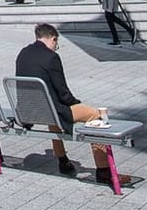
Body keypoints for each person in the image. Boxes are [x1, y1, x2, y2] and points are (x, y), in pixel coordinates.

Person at [15, 23, 113, 178]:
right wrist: (77, 103)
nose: (56, 47)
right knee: (95, 115)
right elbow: (63, 92)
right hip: (49, 111)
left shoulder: (23, 53)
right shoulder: (51, 57)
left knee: (52, 111)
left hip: (28, 111)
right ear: (53, 39)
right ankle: (103, 169)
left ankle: (63, 160)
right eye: (56, 44)